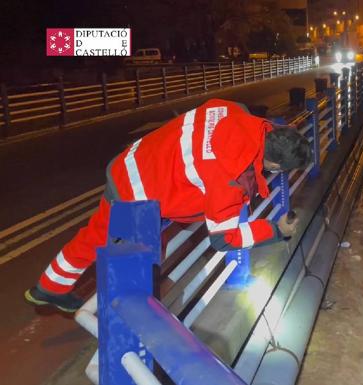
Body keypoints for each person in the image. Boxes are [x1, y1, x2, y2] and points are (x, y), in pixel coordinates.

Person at [25, 98, 311, 313]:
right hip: (137, 188)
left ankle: (50, 286)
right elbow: (225, 239)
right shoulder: (230, 179)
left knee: (100, 232)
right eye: (277, 170)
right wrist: (276, 230)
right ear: (273, 163)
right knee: (125, 247)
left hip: (140, 161)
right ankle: (121, 313)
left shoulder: (234, 110)